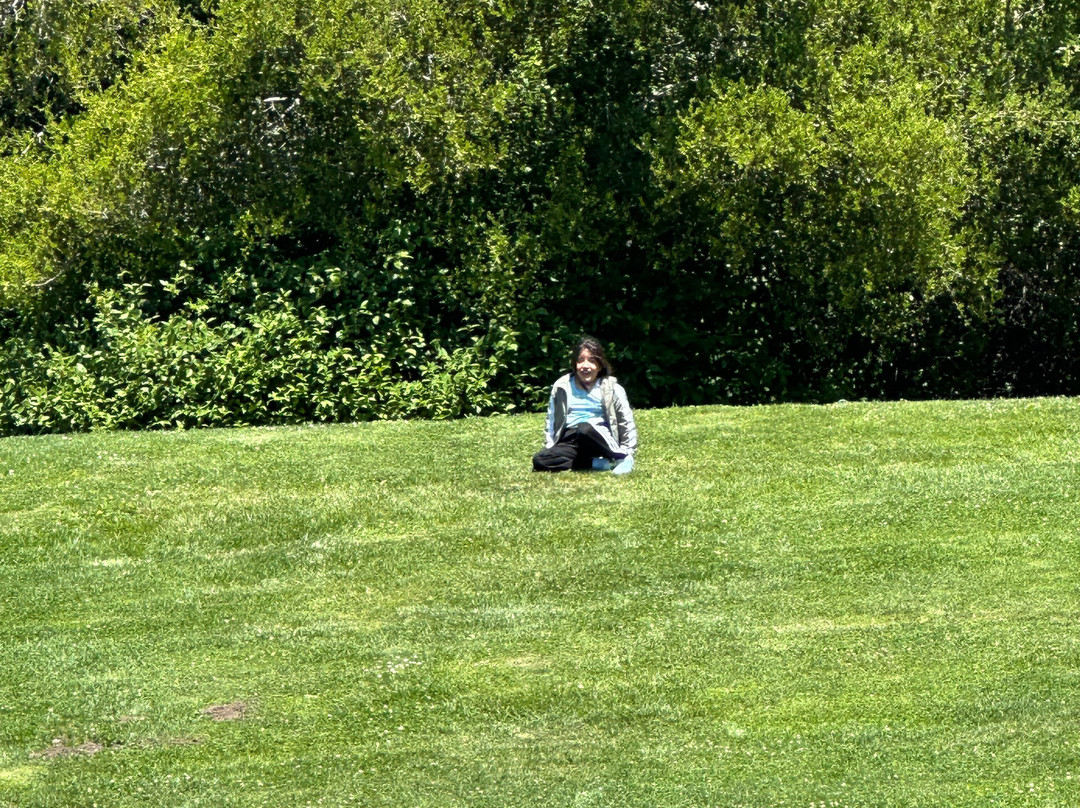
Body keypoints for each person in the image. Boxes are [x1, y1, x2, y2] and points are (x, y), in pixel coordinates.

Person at [532, 336, 637, 474]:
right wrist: (551, 446)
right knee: (539, 460)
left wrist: (628, 450)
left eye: (591, 361)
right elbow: (551, 419)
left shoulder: (612, 388)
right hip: (571, 438)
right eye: (580, 360)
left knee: (584, 428)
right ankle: (596, 463)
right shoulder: (562, 386)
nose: (585, 366)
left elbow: (626, 421)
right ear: (575, 364)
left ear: (599, 366)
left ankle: (621, 458)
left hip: (596, 436)